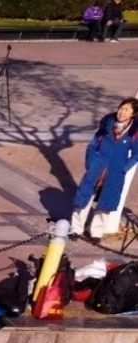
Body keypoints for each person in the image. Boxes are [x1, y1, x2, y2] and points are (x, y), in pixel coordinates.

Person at [71, 98, 138, 238]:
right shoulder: (107, 125)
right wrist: (91, 162)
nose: (122, 112)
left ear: (133, 113)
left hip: (115, 171)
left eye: (126, 110)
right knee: (84, 198)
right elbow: (92, 146)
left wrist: (124, 167)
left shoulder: (133, 133)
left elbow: (136, 154)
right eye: (121, 108)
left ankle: (96, 231)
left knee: (106, 202)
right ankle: (76, 228)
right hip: (97, 167)